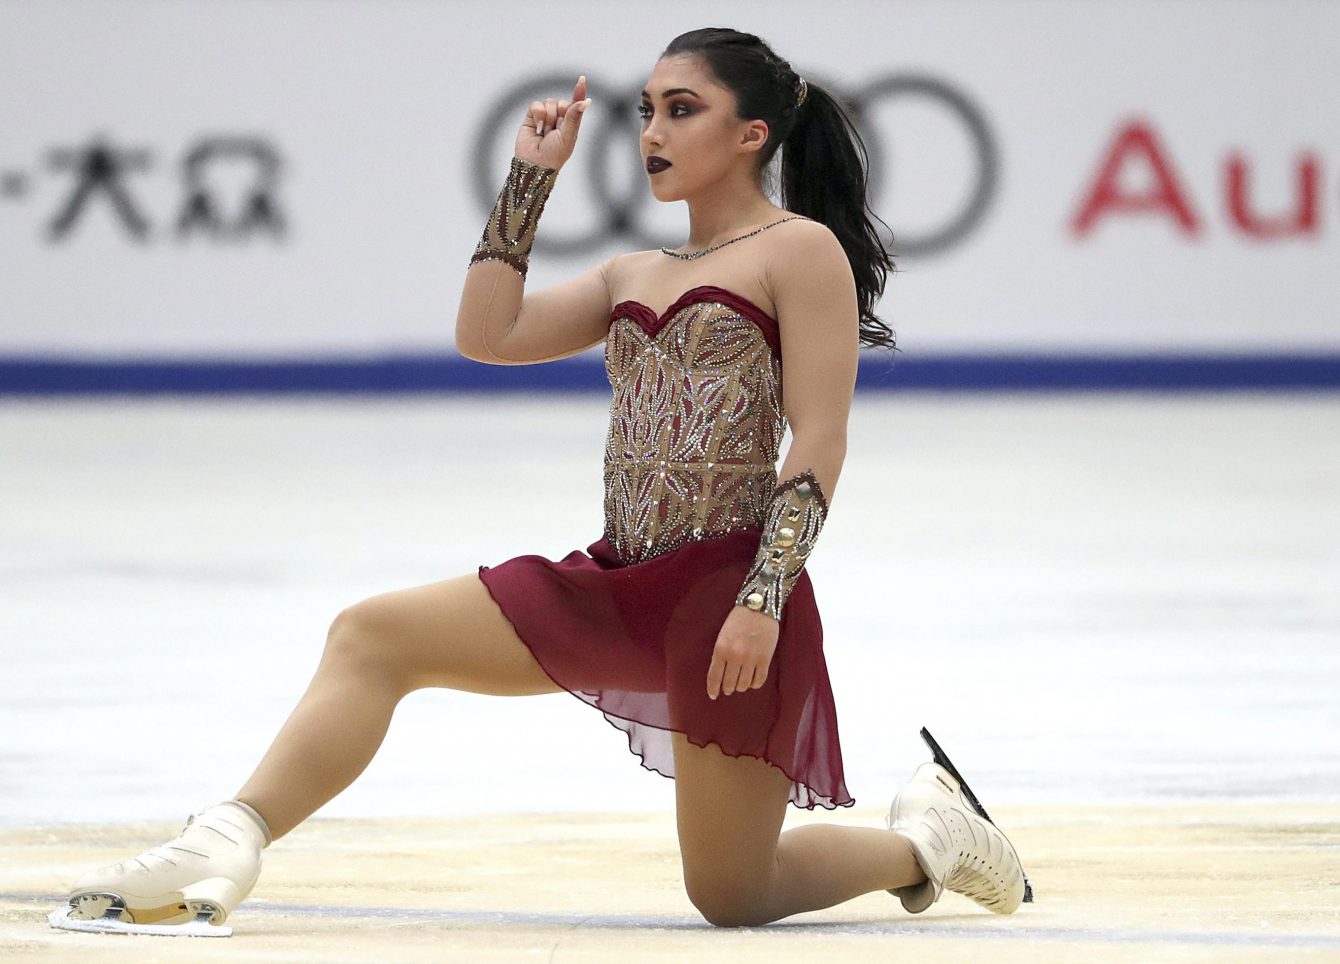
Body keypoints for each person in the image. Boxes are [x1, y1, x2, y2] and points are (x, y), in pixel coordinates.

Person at [54, 27, 1027, 936]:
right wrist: (528, 179)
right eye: (644, 108)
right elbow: (486, 336)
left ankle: (925, 838)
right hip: (612, 584)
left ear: (750, 135)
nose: (650, 130)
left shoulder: (796, 251)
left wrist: (762, 599)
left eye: (680, 109)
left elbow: (817, 440)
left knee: (731, 893)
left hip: (727, 597)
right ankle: (226, 832)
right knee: (372, 634)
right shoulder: (628, 274)